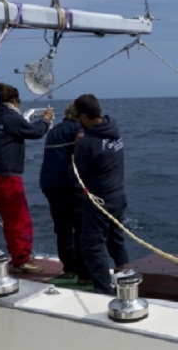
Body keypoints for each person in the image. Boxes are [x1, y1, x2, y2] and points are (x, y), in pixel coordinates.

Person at [0, 82, 53, 273]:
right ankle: (22, 259)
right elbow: (36, 132)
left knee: (10, 221)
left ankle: (17, 255)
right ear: (15, 101)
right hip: (8, 180)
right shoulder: (12, 118)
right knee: (21, 220)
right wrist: (46, 119)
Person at [72, 93, 129, 294]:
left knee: (92, 245)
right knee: (115, 238)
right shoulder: (113, 127)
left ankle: (103, 292)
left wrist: (79, 144)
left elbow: (79, 174)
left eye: (78, 116)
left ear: (84, 116)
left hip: (99, 201)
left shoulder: (86, 144)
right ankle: (126, 277)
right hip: (118, 196)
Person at [40, 101, 88, 280]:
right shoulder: (78, 130)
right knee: (81, 227)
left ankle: (69, 268)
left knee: (62, 227)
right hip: (69, 184)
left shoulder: (54, 130)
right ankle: (84, 271)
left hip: (49, 183)